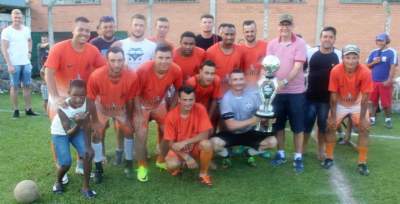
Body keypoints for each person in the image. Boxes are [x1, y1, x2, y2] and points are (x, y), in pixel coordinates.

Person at [44, 16, 106, 177]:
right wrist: (55, 97)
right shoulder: (59, 48)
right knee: (59, 131)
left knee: (85, 128)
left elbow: (104, 70)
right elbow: (48, 73)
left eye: (87, 30)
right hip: (61, 95)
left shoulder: (92, 50)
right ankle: (61, 168)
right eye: (81, 30)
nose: (84, 33)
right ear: (73, 31)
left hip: (81, 97)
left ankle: (80, 164)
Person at [87, 47, 140, 182]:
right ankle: (98, 168)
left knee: (128, 130)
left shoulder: (132, 75)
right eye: (113, 60)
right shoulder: (96, 75)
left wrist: (128, 118)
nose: (117, 64)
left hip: (120, 107)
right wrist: (95, 121)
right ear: (107, 61)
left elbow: (130, 99)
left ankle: (128, 164)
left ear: (124, 60)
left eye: (120, 60)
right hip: (102, 107)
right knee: (96, 133)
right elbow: (91, 100)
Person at [134, 44, 183, 182]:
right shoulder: (143, 70)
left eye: (167, 58)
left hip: (159, 103)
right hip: (142, 104)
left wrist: (173, 109)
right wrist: (137, 113)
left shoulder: (176, 70)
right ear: (154, 57)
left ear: (172, 58)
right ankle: (142, 166)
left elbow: (178, 90)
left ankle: (161, 160)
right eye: (160, 57)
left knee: (168, 130)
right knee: (142, 134)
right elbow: (135, 95)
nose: (164, 61)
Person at [266, 14, 307, 173]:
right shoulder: (272, 44)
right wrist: (268, 83)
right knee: (279, 125)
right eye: (282, 24)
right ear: (278, 26)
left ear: (292, 26)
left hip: (295, 92)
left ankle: (298, 157)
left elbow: (297, 67)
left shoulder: (300, 43)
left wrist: (283, 82)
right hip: (277, 93)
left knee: (298, 126)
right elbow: (268, 66)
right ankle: (281, 153)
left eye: (287, 24)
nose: (284, 27)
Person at [211, 69, 277, 168]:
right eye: (235, 79)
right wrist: (253, 120)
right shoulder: (226, 99)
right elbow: (231, 126)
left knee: (272, 142)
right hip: (232, 134)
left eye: (241, 79)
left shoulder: (253, 95)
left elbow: (262, 115)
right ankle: (226, 154)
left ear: (245, 80)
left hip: (249, 132)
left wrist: (268, 120)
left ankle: (249, 152)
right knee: (214, 144)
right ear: (230, 82)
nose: (238, 82)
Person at [325, 44, 373, 176]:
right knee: (330, 126)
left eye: (354, 57)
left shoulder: (365, 72)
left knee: (364, 128)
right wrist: (333, 117)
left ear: (358, 58)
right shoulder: (335, 70)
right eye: (348, 57)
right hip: (340, 103)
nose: (351, 61)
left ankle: (362, 162)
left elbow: (365, 98)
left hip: (357, 103)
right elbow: (333, 95)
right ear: (343, 58)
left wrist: (363, 119)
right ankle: (329, 157)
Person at [50, 79, 95, 198]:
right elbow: (68, 132)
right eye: (75, 95)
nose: (79, 99)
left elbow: (88, 125)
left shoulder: (89, 103)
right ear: (69, 92)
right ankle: (58, 181)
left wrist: (88, 146)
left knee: (87, 154)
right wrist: (79, 123)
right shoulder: (62, 108)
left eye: (82, 95)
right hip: (60, 133)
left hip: (77, 129)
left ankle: (86, 187)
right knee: (65, 163)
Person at [303, 26, 341, 160]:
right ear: (320, 38)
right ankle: (303, 148)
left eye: (330, 37)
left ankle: (320, 151)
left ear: (334, 39)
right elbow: (302, 70)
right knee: (307, 124)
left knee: (322, 126)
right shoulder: (310, 52)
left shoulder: (339, 55)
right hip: (309, 97)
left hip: (326, 99)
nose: (327, 39)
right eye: (325, 36)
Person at [164, 85, 214, 186]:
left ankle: (203, 173)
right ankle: (181, 165)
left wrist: (186, 142)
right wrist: (186, 157)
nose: (188, 103)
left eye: (191, 99)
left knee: (207, 144)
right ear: (179, 100)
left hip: (195, 147)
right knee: (172, 165)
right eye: (185, 100)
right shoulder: (171, 116)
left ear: (195, 99)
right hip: (179, 150)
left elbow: (205, 134)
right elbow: (170, 144)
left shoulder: (200, 109)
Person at [1, 9, 38, 118]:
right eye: (15, 17)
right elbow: (4, 48)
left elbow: (30, 41)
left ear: (22, 18)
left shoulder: (26, 29)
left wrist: (30, 52)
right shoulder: (6, 31)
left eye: (19, 17)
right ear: (12, 18)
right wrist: (9, 64)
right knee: (14, 87)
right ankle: (16, 110)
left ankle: (28, 109)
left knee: (27, 86)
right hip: (14, 64)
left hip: (26, 63)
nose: (17, 19)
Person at [366, 33, 398, 129]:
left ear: (386, 41)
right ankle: (372, 118)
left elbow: (393, 67)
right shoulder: (373, 52)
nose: (379, 42)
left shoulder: (392, 52)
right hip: (373, 82)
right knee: (372, 102)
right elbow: (367, 66)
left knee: (386, 103)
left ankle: (388, 119)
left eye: (381, 40)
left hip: (385, 82)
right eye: (378, 40)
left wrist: (389, 80)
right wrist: (374, 62)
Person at [206, 23, 244, 91]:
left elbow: (242, 72)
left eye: (232, 34)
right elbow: (207, 75)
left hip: (234, 92)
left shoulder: (240, 51)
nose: (229, 37)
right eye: (226, 34)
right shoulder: (211, 51)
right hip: (215, 92)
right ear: (221, 34)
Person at [186, 60, 222, 128]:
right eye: (206, 73)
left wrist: (208, 119)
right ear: (200, 71)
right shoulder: (192, 83)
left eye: (212, 73)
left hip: (207, 110)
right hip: (192, 110)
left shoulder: (216, 81)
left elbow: (214, 100)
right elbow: (186, 103)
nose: (209, 77)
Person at [240, 20, 268, 86]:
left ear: (256, 31)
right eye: (247, 32)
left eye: (252, 31)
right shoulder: (239, 49)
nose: (250, 34)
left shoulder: (266, 46)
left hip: (262, 87)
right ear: (243, 32)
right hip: (244, 89)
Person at [37, 34, 50, 113]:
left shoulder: (50, 47)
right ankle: (46, 111)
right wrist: (50, 43)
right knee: (45, 96)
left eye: (45, 39)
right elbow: (43, 45)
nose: (44, 41)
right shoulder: (39, 45)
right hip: (42, 67)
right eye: (43, 39)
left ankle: (50, 109)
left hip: (49, 67)